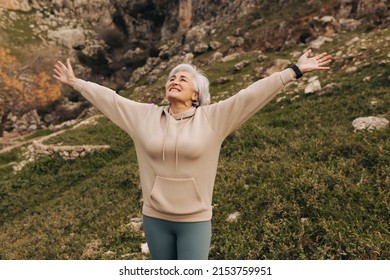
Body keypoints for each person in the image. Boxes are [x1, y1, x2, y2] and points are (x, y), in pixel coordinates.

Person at [53, 49, 332, 260]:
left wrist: (294, 70)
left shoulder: (213, 119)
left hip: (194, 221)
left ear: (196, 94)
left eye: (183, 79)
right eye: (172, 78)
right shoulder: (145, 117)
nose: (174, 80)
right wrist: (77, 83)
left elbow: (250, 95)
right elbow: (111, 99)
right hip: (154, 219)